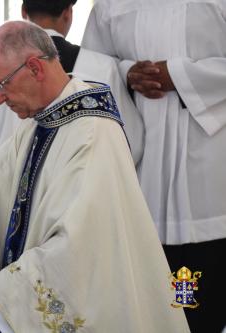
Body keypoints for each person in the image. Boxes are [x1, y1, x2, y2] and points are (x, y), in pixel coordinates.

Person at [0, 21, 189, 332]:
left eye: (1, 86)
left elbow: (78, 250)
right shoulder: (43, 120)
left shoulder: (91, 134)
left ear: (36, 68)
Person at [82, 1, 226, 331]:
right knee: (144, 305)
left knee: (201, 311)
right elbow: (93, 66)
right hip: (140, 164)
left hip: (209, 168)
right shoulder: (109, 5)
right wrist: (126, 72)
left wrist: (179, 75)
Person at [0, 0, 144, 167]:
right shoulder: (103, 67)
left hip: (14, 200)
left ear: (23, 12)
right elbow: (131, 144)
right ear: (68, 13)